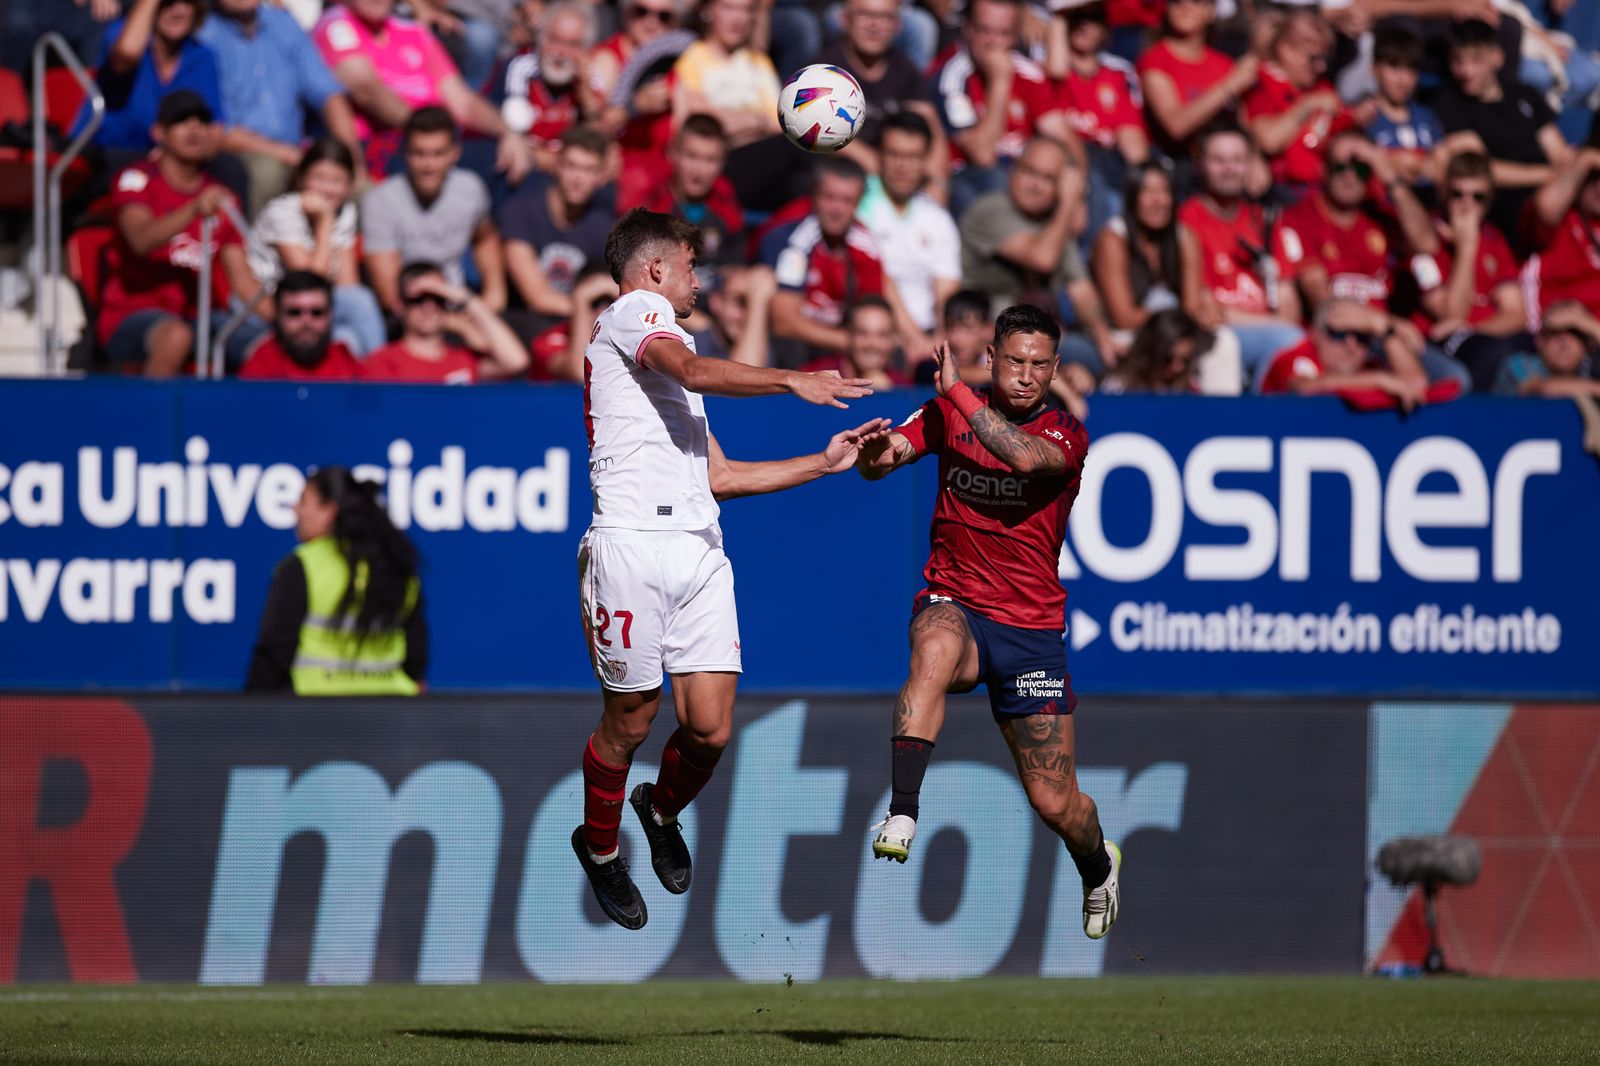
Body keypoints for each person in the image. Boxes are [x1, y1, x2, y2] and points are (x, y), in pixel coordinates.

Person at [571, 207, 885, 930]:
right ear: (655, 268)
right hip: (629, 544)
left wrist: (823, 461)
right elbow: (690, 366)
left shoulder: (675, 363)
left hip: (697, 547)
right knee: (633, 719)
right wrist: (789, 380)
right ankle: (597, 847)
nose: (696, 282)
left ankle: (657, 807)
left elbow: (721, 477)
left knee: (709, 730)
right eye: (689, 266)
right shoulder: (633, 315)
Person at [850, 305, 1120, 942]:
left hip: (1029, 631)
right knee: (933, 652)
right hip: (957, 600)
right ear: (992, 358)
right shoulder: (949, 412)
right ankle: (904, 814)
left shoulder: (1065, 434)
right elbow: (888, 457)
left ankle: (1098, 863)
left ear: (1055, 369)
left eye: (1039, 365)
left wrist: (959, 394)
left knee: (1056, 802)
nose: (1025, 375)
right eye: (1014, 361)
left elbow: (1022, 458)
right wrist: (874, 454)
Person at [97, 91, 266, 377]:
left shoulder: (222, 197)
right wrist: (193, 210)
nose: (194, 129)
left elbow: (243, 284)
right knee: (176, 337)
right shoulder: (135, 180)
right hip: (131, 315)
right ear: (158, 132)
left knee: (265, 346)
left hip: (198, 318)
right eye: (181, 121)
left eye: (202, 121)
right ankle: (150, 420)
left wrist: (289, 322)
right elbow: (141, 240)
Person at [246, 466, 427, 694]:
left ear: (329, 511)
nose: (295, 509)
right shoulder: (397, 565)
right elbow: (417, 659)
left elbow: (272, 657)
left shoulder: (302, 567)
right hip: (392, 715)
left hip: (314, 716)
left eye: (303, 501)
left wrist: (250, 717)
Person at [313, 0, 534, 184]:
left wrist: (507, 132)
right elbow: (366, 90)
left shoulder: (413, 31)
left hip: (436, 141)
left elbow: (462, 100)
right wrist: (430, 131)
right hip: (385, 146)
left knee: (511, 162)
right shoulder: (337, 25)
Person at [958, 136, 1116, 374]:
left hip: (1035, 337)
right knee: (1080, 355)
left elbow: (1080, 288)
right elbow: (1042, 258)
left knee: (1101, 356)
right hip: (989, 335)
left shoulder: (1052, 225)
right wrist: (1069, 203)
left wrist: (1104, 339)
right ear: (1013, 171)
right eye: (1029, 172)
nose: (1035, 184)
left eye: (1048, 178)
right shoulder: (991, 210)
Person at [199, 0, 364, 216]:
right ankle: (255, 247)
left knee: (362, 190)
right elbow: (216, 129)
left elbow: (327, 93)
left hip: (296, 150)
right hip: (240, 152)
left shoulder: (283, 23)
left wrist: (352, 159)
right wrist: (286, 154)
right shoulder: (204, 34)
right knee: (267, 172)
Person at [761, 157, 925, 366]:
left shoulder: (865, 244)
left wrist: (906, 339)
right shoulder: (793, 241)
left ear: (858, 203)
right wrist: (853, 342)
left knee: (896, 354)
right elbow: (783, 322)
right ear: (814, 195)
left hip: (843, 347)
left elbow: (873, 309)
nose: (837, 209)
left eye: (847, 201)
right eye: (829, 198)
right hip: (800, 347)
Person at [1177, 125, 1302, 391]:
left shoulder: (1266, 220)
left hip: (1265, 331)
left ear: (1249, 165)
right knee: (1282, 338)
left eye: (1237, 160)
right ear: (1200, 165)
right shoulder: (1188, 219)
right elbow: (1204, 308)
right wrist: (1275, 323)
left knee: (1296, 343)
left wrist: (1274, 323)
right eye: (1218, 160)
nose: (1229, 169)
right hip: (1216, 333)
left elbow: (1289, 305)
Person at [932, 0, 1078, 217]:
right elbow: (984, 155)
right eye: (984, 30)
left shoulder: (1027, 72)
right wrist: (999, 80)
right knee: (997, 179)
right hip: (972, 180)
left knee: (1078, 178)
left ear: (1015, 36)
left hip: (1025, 175)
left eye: (1003, 33)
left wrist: (1075, 192)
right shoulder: (952, 77)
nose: (993, 42)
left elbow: (1065, 139)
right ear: (968, 29)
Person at [1434, 18, 1572, 242]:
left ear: (1497, 57)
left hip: (1553, 197)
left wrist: (1569, 172)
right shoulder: (1450, 106)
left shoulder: (1526, 94)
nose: (1467, 71)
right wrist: (1552, 176)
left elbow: (1558, 151)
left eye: (1476, 59)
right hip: (1507, 210)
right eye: (1458, 61)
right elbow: (1481, 170)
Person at [361, 107, 506, 319]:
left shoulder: (471, 188)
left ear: (455, 153)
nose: (428, 165)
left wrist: (494, 293)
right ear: (405, 153)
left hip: (459, 306)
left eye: (438, 154)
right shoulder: (380, 202)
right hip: (409, 317)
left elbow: (485, 238)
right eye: (419, 154)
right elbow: (390, 297)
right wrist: (460, 326)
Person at [1407, 151, 1532, 391]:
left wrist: (1473, 329)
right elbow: (1451, 313)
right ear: (1442, 192)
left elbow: (1517, 313)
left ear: (1489, 201)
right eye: (1458, 194)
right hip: (1438, 343)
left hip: (1479, 334)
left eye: (1478, 197)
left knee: (1527, 348)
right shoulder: (1424, 241)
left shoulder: (1494, 238)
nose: (1467, 204)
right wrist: (1467, 248)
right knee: (1490, 356)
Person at [248, 139, 386, 356]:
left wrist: (328, 218)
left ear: (350, 185)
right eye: (319, 178)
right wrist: (324, 221)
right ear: (302, 178)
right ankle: (383, 374)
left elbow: (348, 285)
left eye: (337, 180)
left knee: (348, 338)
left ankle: (371, 379)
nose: (327, 188)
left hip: (317, 310)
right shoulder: (282, 212)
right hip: (273, 307)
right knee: (361, 302)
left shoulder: (345, 212)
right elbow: (309, 283)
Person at [671, 0, 799, 213]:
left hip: (763, 167)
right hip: (719, 164)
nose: (738, 18)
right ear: (709, 11)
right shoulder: (693, 58)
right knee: (796, 147)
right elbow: (703, 126)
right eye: (729, 8)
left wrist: (735, 120)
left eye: (745, 10)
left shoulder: (758, 62)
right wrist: (758, 120)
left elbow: (782, 124)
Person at [814, 0, 948, 188]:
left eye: (885, 17)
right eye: (865, 15)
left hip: (895, 178)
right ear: (844, 19)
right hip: (841, 179)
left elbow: (931, 127)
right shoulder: (824, 70)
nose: (874, 25)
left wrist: (936, 183)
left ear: (897, 25)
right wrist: (881, 167)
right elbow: (816, 130)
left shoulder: (904, 69)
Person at [857, 112, 963, 340]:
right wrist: (916, 341)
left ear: (926, 160)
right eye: (894, 154)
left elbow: (946, 291)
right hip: (876, 336)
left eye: (913, 156)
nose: (902, 165)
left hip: (928, 338)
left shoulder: (938, 218)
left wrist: (939, 343)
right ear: (879, 155)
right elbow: (881, 280)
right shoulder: (860, 206)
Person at [1045, 0, 1146, 236]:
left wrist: (1144, 180)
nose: (1086, 26)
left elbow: (1131, 135)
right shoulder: (1047, 62)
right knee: (1096, 184)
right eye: (1078, 17)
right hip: (1067, 155)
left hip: (1110, 159)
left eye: (1095, 19)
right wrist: (1060, 16)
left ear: (1106, 27)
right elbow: (1056, 72)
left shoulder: (1119, 71)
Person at [500, 125, 617, 320]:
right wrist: (591, 309)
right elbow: (537, 298)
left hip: (580, 321)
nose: (578, 178)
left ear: (601, 176)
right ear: (557, 166)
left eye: (589, 169)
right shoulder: (520, 211)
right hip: (526, 319)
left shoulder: (603, 224)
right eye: (571, 166)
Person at [1259, 298, 1447, 411]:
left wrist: (1382, 327)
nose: (1351, 346)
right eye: (1340, 334)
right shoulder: (1296, 354)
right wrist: (1379, 380)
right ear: (1316, 332)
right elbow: (1304, 388)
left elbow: (1415, 384)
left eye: (1361, 336)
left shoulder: (1368, 366)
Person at [362, 261, 531, 382]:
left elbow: (515, 361)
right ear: (400, 306)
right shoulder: (381, 362)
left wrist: (465, 298)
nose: (429, 306)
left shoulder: (463, 359)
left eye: (438, 298)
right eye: (418, 299)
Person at [618, 115, 746, 272]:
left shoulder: (726, 206)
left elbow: (734, 266)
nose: (699, 170)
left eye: (710, 160)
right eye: (691, 156)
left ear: (722, 163)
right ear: (672, 153)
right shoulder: (651, 205)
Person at [485, 1, 601, 175]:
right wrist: (543, 158)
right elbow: (494, 132)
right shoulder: (516, 68)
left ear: (586, 50)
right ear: (541, 39)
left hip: (568, 178)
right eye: (555, 40)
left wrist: (586, 99)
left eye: (573, 45)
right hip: (520, 171)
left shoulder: (590, 80)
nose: (561, 52)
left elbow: (599, 146)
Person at [1241, 9, 1352, 191]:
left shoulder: (1321, 86)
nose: (1321, 67)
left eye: (1325, 60)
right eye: (1313, 58)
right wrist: (1307, 105)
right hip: (1281, 189)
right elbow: (1269, 140)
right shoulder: (1261, 83)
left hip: (1321, 189)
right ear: (1286, 50)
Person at [1137, 0, 1256, 158]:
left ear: (1212, 12)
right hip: (1177, 161)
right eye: (1177, 1)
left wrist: (1254, 158)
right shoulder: (1156, 59)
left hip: (1223, 161)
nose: (1186, 6)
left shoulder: (1223, 63)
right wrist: (1230, 85)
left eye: (1196, 1)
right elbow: (1176, 126)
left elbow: (1241, 122)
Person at [237, 271, 368, 380]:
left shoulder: (346, 363)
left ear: (330, 315)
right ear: (278, 315)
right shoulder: (259, 367)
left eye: (316, 312)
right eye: (294, 312)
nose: (306, 322)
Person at [1524, 147, 1600, 322]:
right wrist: (1585, 159)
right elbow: (1546, 208)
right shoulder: (1562, 218)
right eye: (1592, 176)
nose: (1599, 186)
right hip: (1555, 333)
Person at [1364, 25, 1444, 186]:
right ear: (1374, 69)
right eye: (1394, 67)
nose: (1403, 79)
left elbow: (1441, 167)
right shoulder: (1364, 118)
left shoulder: (1427, 117)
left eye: (1411, 69)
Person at [1494, 300, 1600, 397]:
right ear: (1539, 340)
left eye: (1575, 333)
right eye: (1554, 332)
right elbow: (1543, 389)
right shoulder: (1519, 363)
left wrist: (1590, 326)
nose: (1564, 342)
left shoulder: (1589, 368)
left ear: (1589, 344)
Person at [799, 295, 911, 388]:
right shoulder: (815, 377)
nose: (872, 344)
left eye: (882, 335)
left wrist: (887, 396)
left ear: (894, 340)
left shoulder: (903, 388)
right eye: (863, 333)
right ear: (849, 335)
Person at [1098, 308, 1211, 394]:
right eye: (1168, 359)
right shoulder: (1118, 388)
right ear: (1150, 352)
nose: (1177, 367)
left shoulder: (1192, 393)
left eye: (1185, 360)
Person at [690, 264, 779, 364]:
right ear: (716, 302)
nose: (747, 317)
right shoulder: (692, 347)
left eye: (751, 306)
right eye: (738, 302)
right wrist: (757, 301)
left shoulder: (764, 348)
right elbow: (745, 376)